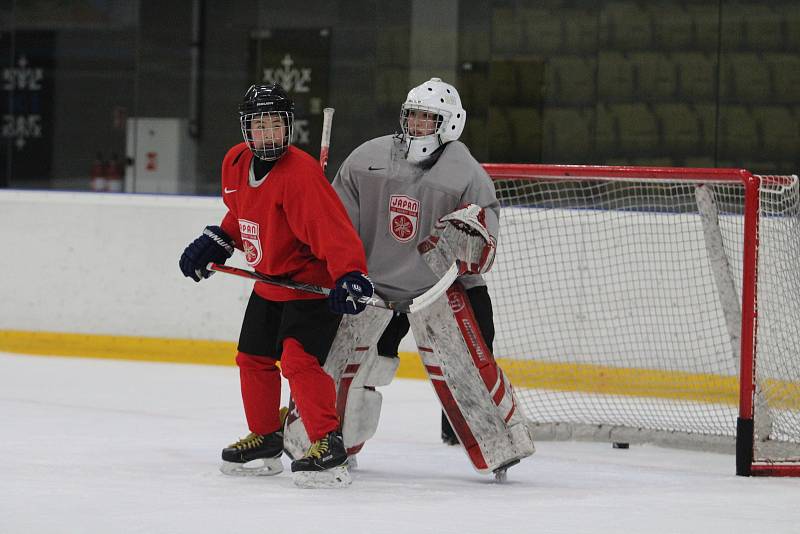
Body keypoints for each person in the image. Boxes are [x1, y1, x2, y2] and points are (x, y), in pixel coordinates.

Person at [179, 83, 373, 488]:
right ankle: (266, 437)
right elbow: (244, 211)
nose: (267, 134)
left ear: (288, 127)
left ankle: (327, 443)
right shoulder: (234, 162)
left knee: (298, 362)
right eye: (259, 126)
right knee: (252, 358)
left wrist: (350, 275)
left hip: (308, 286)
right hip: (268, 284)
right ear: (246, 130)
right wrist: (221, 238)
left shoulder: (301, 175)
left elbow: (333, 233)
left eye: (275, 125)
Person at [332, 77, 500, 446]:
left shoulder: (468, 173)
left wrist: (470, 239)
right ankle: (336, 439)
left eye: (428, 118)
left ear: (451, 123)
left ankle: (486, 440)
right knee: (352, 368)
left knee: (474, 368)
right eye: (413, 116)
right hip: (378, 289)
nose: (417, 126)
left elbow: (483, 249)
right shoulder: (366, 160)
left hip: (444, 289)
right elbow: (336, 225)